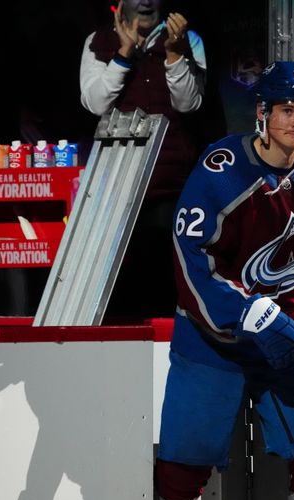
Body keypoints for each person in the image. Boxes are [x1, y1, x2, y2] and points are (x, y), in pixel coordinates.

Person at [154, 61, 294, 500]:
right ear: (262, 112)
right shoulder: (221, 170)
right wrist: (251, 313)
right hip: (214, 340)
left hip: (292, 337)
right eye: (287, 109)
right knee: (181, 469)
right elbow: (190, 262)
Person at [79, 0, 206, 318]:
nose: (147, 2)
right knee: (121, 286)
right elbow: (94, 103)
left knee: (164, 282)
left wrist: (175, 53)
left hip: (170, 186)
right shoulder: (98, 42)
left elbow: (190, 103)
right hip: (116, 189)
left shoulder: (189, 40)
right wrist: (123, 54)